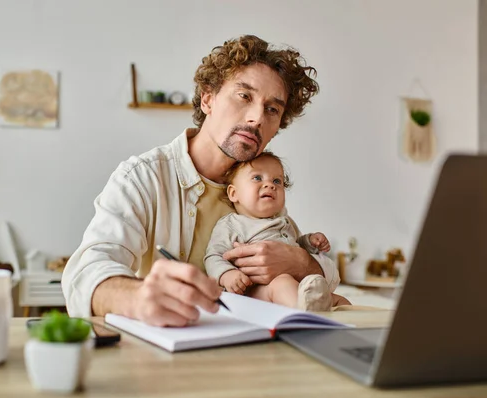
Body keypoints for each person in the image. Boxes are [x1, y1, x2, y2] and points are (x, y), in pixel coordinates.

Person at [62, 34, 341, 327]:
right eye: (244, 96)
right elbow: (83, 276)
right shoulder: (142, 177)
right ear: (208, 99)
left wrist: (301, 262)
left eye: (272, 109)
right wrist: (138, 297)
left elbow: (311, 283)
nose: (257, 117)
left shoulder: (265, 187)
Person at [204, 151, 351, 311]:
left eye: (277, 181)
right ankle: (306, 314)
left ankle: (346, 323)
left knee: (341, 301)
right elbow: (214, 255)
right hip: (258, 291)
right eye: (257, 178)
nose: (270, 185)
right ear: (234, 193)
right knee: (283, 283)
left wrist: (309, 241)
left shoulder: (285, 221)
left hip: (297, 285)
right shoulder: (233, 224)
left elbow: (295, 247)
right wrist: (227, 274)